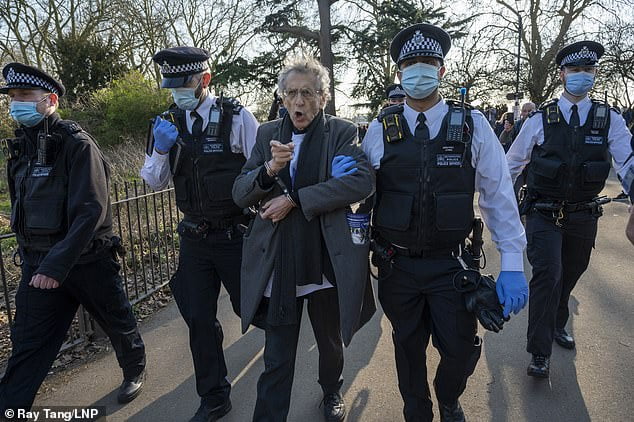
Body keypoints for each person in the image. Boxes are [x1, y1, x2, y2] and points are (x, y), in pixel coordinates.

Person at [361, 23, 528, 422]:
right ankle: (416, 412)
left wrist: (513, 263)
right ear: (399, 73)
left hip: (451, 266)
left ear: (441, 69)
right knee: (407, 347)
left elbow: (498, 196)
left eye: (428, 62)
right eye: (410, 64)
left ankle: (449, 397)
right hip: (397, 265)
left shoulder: (472, 125)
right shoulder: (379, 129)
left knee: (459, 349)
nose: (419, 70)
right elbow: (359, 195)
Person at [232, 55, 376, 422]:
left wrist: (295, 199)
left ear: (323, 98)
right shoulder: (267, 135)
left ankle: (331, 391)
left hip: (326, 257)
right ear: (282, 98)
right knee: (277, 354)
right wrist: (270, 169)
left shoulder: (341, 132)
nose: (299, 102)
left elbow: (361, 182)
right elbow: (240, 192)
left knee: (329, 343)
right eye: (292, 94)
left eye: (309, 93)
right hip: (282, 262)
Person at [0, 63, 146, 412]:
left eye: (23, 97)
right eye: (11, 98)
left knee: (117, 323)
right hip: (39, 266)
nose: (14, 104)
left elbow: (90, 211)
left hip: (87, 262)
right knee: (28, 344)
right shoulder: (20, 149)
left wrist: (56, 265)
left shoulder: (77, 145)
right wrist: (37, 261)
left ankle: (134, 369)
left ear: (49, 100)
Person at [139, 46, 259, 422]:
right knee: (199, 320)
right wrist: (159, 149)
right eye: (171, 86)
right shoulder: (165, 122)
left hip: (234, 236)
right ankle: (214, 395)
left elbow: (261, 172)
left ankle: (278, 355)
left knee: (252, 308)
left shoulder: (236, 117)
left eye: (184, 84)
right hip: (193, 238)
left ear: (204, 80)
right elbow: (152, 180)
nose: (177, 93)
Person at [506, 40, 634, 378]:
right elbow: (511, 166)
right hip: (542, 212)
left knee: (569, 275)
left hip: (583, 215)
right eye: (575, 70)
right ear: (562, 74)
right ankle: (540, 352)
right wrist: (502, 212)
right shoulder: (538, 120)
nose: (582, 76)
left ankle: (558, 320)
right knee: (548, 275)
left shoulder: (609, 119)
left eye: (588, 70)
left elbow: (627, 163)